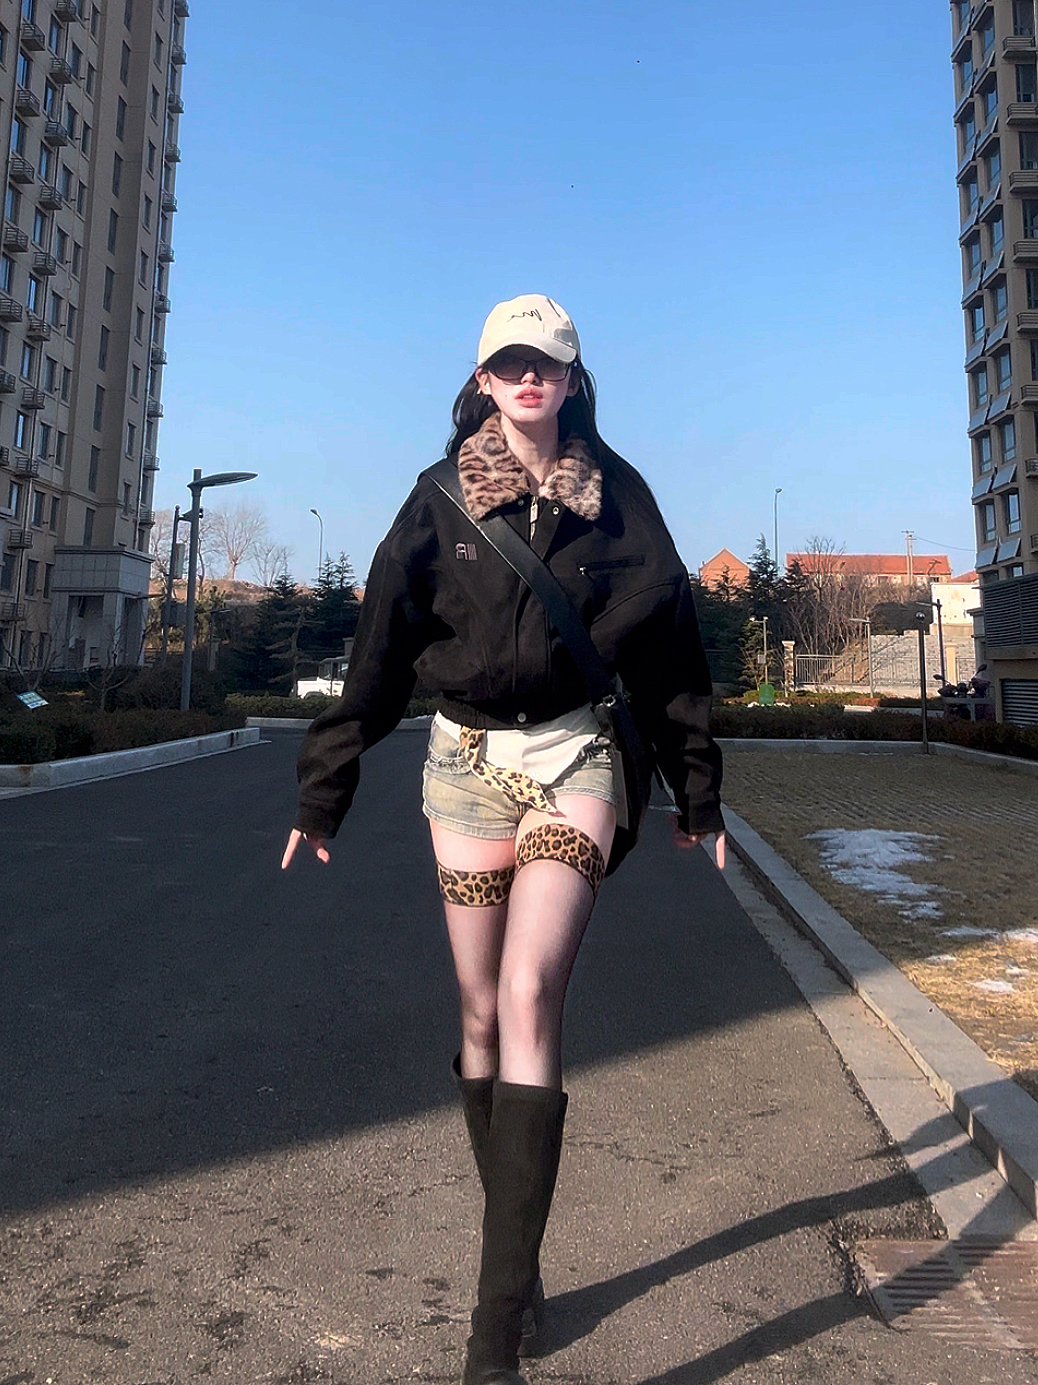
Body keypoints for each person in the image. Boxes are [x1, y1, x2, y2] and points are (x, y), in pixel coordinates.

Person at [282, 294, 724, 1385]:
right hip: (466, 770)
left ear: (573, 380)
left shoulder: (621, 502)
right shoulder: (436, 501)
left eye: (548, 364)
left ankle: (491, 1337)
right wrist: (323, 788)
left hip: (577, 760)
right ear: (483, 380)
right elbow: (380, 651)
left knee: (529, 992)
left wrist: (697, 790)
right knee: (479, 1013)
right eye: (510, 364)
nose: (530, 379)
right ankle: (518, 1272)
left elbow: (671, 650)